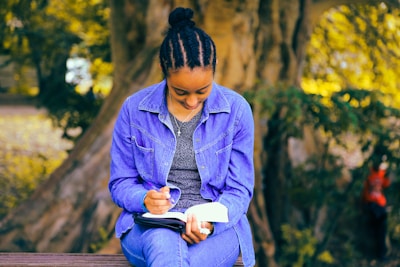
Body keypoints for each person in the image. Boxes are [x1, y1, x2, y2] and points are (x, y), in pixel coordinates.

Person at [109, 7, 255, 267]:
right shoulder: (135, 109)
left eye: (202, 91)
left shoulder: (236, 110)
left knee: (177, 260)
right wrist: (144, 199)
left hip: (216, 231)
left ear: (214, 69)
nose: (191, 101)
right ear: (164, 70)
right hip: (149, 228)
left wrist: (209, 221)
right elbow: (121, 183)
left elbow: (239, 189)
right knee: (164, 244)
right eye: (180, 92)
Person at [361, 155, 391, 261]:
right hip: (371, 204)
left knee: (381, 228)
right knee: (375, 225)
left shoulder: (382, 173)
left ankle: (381, 254)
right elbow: (364, 189)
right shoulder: (368, 173)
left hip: (380, 205)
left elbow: (387, 184)